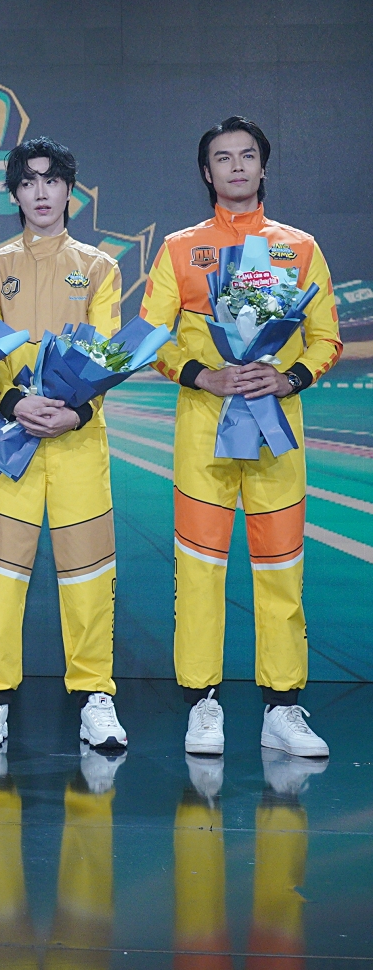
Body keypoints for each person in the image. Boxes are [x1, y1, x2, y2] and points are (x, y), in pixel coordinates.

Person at [139, 116, 341, 759]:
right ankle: (203, 704)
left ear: (262, 166)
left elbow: (327, 338)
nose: (235, 166)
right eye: (222, 158)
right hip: (204, 434)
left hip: (277, 435)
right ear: (207, 172)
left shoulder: (300, 247)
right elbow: (150, 338)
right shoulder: (180, 249)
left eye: (246, 155)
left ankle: (282, 707)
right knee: (200, 571)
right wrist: (203, 375)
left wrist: (289, 379)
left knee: (281, 569)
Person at [0, 137, 129, 750]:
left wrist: (77, 411)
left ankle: (95, 696)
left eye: (51, 180)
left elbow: (110, 351)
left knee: (89, 573)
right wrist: (13, 402)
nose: (40, 192)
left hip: (78, 440)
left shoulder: (101, 267)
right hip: (13, 438)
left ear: (68, 190)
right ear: (14, 193)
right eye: (29, 181)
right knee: (0, 573)